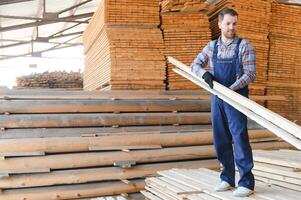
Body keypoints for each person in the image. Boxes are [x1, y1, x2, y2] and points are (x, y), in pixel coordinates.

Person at [191, 8, 256, 197]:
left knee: (239, 138)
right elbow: (194, 64)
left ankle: (246, 182)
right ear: (219, 24)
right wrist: (204, 73)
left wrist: (231, 89)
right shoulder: (211, 47)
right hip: (217, 99)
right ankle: (227, 178)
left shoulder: (245, 46)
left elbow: (250, 74)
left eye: (234, 23)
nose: (231, 27)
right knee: (221, 139)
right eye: (228, 23)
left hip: (236, 98)